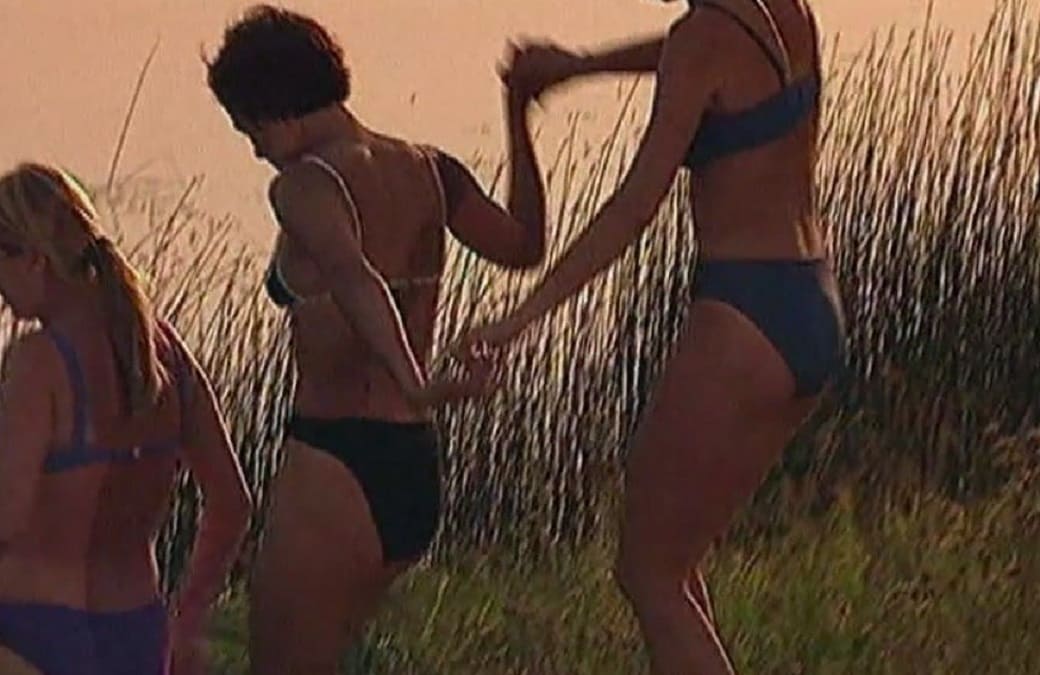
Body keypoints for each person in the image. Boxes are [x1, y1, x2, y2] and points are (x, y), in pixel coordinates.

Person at [458, 1, 845, 672]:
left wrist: (520, 317)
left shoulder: (702, 38)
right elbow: (689, 56)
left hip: (744, 313)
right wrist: (581, 66)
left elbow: (634, 207)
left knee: (648, 573)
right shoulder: (779, 12)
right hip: (811, 298)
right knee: (675, 564)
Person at [204, 5, 547, 672]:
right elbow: (524, 246)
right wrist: (518, 116)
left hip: (335, 462)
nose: (253, 148)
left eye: (249, 128)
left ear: (277, 107)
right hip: (412, 465)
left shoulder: (305, 184)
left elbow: (354, 277)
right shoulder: (431, 169)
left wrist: (415, 381)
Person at [0, 163, 252, 675]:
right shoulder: (164, 352)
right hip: (136, 634)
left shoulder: (39, 361)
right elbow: (232, 501)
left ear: (32, 259)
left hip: (33, 632)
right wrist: (189, 617)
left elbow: (8, 514)